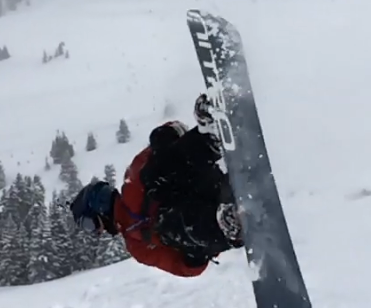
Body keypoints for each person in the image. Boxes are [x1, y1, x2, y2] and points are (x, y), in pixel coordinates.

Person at [69, 94, 243, 277]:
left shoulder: (133, 182)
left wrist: (165, 138)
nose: (97, 231)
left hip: (209, 182)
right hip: (207, 224)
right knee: (167, 227)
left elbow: (170, 137)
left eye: (90, 225)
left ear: (98, 205)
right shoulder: (138, 246)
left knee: (153, 179)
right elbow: (183, 266)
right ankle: (228, 224)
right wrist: (194, 256)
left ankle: (210, 138)